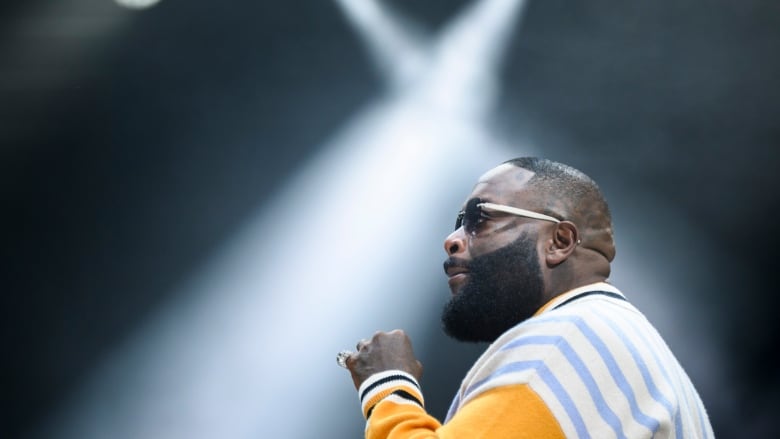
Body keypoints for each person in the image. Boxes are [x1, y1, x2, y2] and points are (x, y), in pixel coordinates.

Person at [338, 157, 714, 438]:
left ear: (559, 242)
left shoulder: (569, 339)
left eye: (479, 218)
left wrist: (387, 386)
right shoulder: (616, 339)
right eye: (457, 223)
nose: (452, 239)